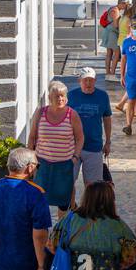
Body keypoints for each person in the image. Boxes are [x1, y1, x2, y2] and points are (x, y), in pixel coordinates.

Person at [27, 81, 85, 215]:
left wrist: (75, 157)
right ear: (50, 98)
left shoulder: (72, 115)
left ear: (66, 97)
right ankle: (41, 232)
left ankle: (60, 233)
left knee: (63, 202)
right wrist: (31, 160)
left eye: (62, 96)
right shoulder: (40, 113)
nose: (60, 99)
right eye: (56, 96)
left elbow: (80, 138)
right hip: (42, 164)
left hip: (64, 165)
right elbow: (32, 137)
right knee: (40, 200)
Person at [67, 68, 112, 187]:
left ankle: (89, 206)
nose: (88, 83)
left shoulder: (102, 96)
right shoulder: (70, 96)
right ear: (79, 80)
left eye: (91, 80)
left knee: (93, 185)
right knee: (69, 182)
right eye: (85, 80)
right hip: (72, 146)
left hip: (94, 146)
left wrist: (108, 141)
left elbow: (107, 119)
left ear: (95, 80)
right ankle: (71, 205)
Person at [99, 0, 124, 79]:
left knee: (109, 53)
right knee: (116, 53)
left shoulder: (113, 9)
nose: (126, 6)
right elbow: (116, 25)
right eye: (125, 4)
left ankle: (108, 73)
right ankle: (112, 73)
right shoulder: (115, 10)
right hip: (112, 33)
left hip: (108, 32)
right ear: (121, 3)